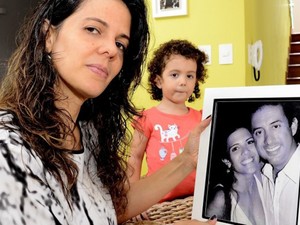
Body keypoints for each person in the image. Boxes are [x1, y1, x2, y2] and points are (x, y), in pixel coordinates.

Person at [0, 0, 216, 225]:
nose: (111, 49)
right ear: (48, 36)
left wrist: (187, 160)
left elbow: (108, 210)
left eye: (120, 44)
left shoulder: (89, 133)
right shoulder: (9, 149)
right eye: (93, 29)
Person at [127, 39, 207, 202]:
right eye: (174, 74)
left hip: (194, 200)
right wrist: (134, 196)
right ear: (158, 81)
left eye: (190, 76)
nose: (183, 81)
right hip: (158, 201)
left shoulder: (201, 118)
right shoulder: (147, 118)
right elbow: (135, 157)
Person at [250, 102, 300, 225]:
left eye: (275, 126)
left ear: (293, 126)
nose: (269, 140)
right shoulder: (260, 177)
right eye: (259, 132)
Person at [206, 126, 266, 225]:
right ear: (227, 161)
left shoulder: (270, 178)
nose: (246, 151)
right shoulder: (221, 199)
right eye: (235, 148)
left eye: (250, 142)